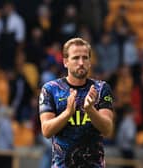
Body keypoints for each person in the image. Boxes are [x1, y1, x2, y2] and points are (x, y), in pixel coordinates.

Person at [39, 37, 114, 168]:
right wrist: (67, 113)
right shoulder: (51, 89)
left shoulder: (101, 88)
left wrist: (90, 110)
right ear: (65, 62)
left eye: (85, 58)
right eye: (75, 58)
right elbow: (46, 130)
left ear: (90, 62)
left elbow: (107, 129)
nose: (81, 62)